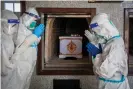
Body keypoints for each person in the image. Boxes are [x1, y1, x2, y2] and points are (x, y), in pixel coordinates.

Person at [1, 7, 45, 89]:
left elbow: (32, 43)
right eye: (33, 20)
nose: (34, 23)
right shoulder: (18, 27)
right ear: (27, 17)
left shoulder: (27, 28)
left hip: (27, 65)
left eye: (35, 21)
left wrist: (37, 37)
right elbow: (21, 44)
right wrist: (35, 35)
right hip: (19, 67)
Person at [85, 13, 130, 89]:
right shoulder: (112, 40)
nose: (96, 35)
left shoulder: (116, 45)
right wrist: (95, 41)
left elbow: (105, 72)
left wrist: (97, 55)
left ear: (103, 29)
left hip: (113, 85)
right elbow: (106, 55)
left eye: (96, 32)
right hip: (109, 83)